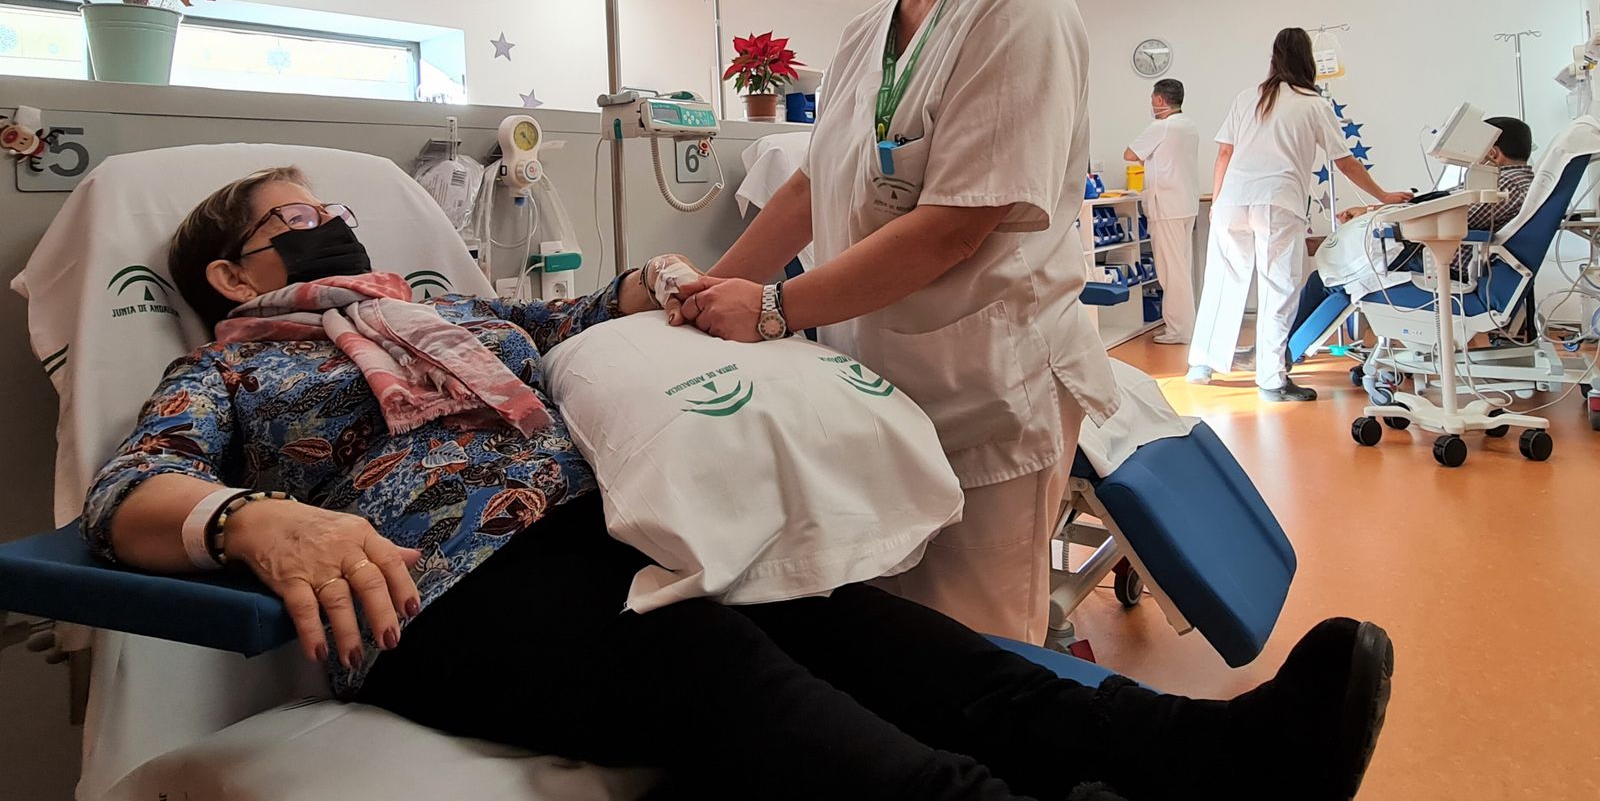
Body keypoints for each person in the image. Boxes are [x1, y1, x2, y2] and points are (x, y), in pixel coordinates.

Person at [83, 166, 1397, 801]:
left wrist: (665, 285)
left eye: (330, 208)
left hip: (626, 533)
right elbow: (133, 491)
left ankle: (1216, 758)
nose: (329, 230)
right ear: (236, 277)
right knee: (727, 680)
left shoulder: (464, 313)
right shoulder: (244, 367)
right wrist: (252, 515)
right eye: (290, 221)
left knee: (887, 635)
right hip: (447, 594)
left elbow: (590, 309)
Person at [672, 0, 1120, 646]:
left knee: (979, 648)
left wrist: (771, 309)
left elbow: (953, 228)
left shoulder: (1018, 10)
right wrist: (698, 294)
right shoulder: (870, 24)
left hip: (987, 392)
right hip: (878, 390)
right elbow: (809, 183)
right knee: (897, 642)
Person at [1187, 28, 1411, 402]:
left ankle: (1201, 365)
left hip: (1231, 202)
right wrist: (1383, 194)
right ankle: (1271, 380)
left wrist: (1220, 202)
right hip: (1277, 202)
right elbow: (1344, 161)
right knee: (1278, 288)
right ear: (1307, 60)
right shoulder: (1312, 103)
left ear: (1273, 58)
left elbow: (1224, 154)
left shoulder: (1248, 97)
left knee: (1222, 282)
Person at [1288, 117, 1535, 359]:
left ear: (1492, 153)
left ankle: (1285, 351)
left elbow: (1446, 220)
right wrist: (1372, 210)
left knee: (1325, 277)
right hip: (1455, 261)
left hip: (1443, 265)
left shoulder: (1501, 185)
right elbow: (1446, 212)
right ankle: (1288, 344)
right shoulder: (1520, 182)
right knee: (1349, 251)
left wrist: (1378, 214)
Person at [1124, 78, 1200, 344]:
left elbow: (1130, 154)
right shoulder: (1189, 126)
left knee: (1171, 271)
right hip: (1185, 205)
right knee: (1181, 266)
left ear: (1159, 100)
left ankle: (1180, 330)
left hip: (1166, 206)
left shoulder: (1162, 126)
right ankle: (1181, 325)